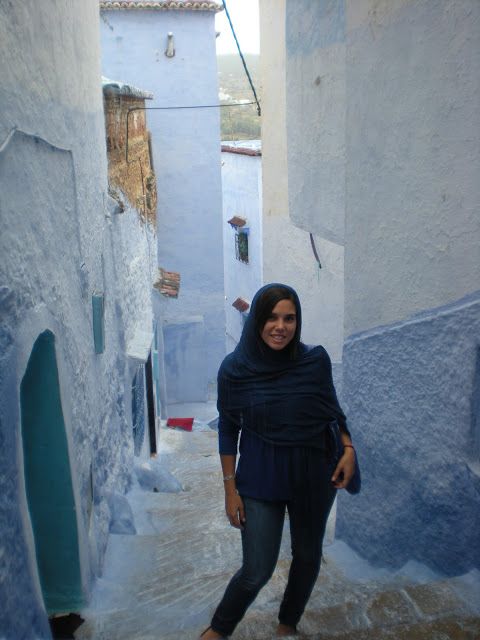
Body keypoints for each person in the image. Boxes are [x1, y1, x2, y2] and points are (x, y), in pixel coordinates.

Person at [200, 283, 356, 639]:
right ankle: (219, 629)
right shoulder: (234, 370)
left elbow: (330, 411)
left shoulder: (314, 361)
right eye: (271, 317)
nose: (280, 326)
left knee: (307, 557)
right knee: (256, 568)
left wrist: (348, 449)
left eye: (289, 318)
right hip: (260, 479)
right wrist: (230, 490)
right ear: (256, 320)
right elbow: (228, 428)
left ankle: (288, 623)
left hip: (312, 476)